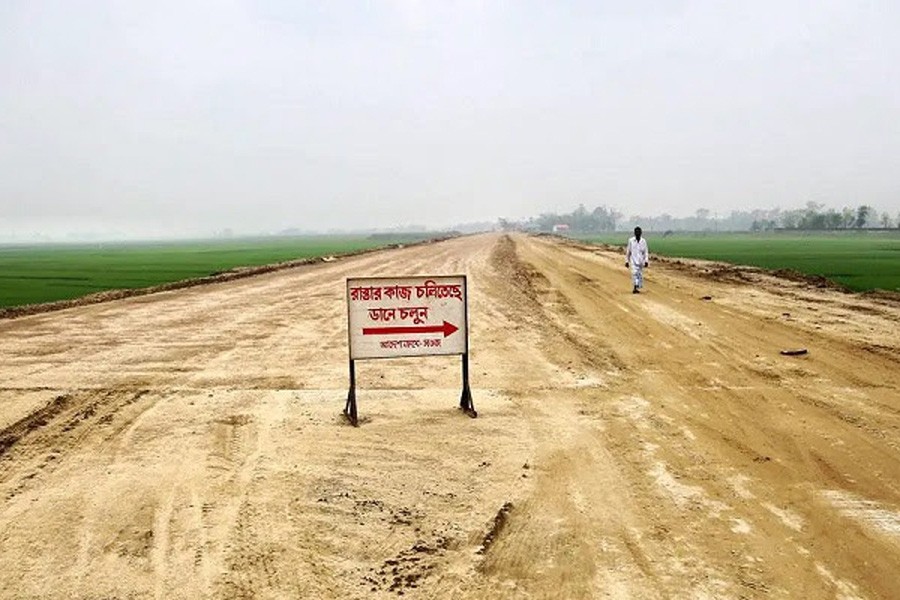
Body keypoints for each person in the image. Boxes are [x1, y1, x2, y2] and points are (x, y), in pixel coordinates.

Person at [625, 227, 649, 293]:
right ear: (634, 233)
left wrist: (646, 261)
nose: (637, 233)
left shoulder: (643, 241)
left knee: (639, 274)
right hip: (633, 261)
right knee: (634, 273)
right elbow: (628, 252)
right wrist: (627, 261)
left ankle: (637, 286)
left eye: (639, 232)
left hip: (641, 261)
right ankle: (635, 287)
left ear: (641, 233)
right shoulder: (631, 241)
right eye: (636, 232)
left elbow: (645, 252)